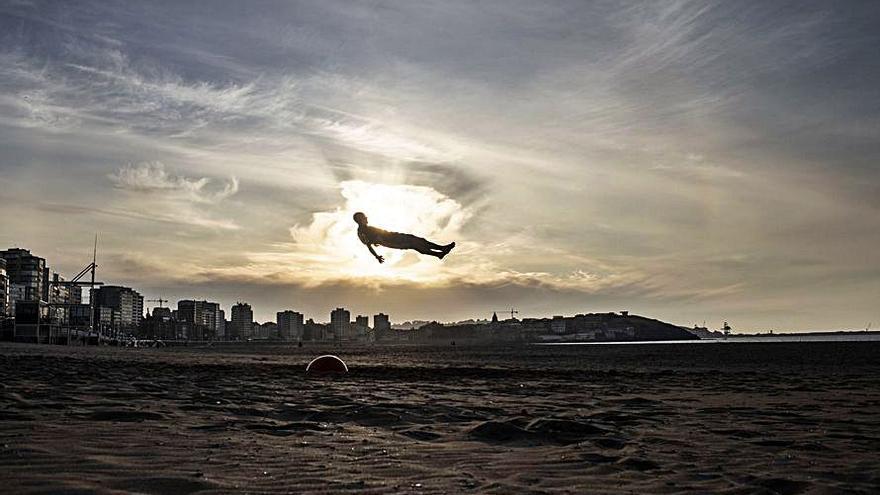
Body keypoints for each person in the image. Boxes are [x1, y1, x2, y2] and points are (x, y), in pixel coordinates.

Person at [353, 212, 455, 263]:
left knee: (419, 241)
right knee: (415, 245)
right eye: (364, 217)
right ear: (359, 219)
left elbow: (374, 239)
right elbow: (368, 245)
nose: (366, 218)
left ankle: (440, 251)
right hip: (393, 241)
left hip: (395, 236)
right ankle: (439, 252)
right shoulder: (362, 231)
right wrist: (377, 256)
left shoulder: (367, 228)